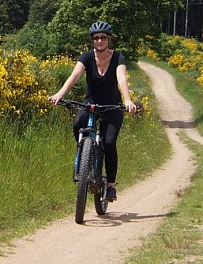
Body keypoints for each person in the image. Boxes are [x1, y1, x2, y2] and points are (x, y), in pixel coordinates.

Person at [48, 21, 137, 202]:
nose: (99, 41)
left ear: (108, 39)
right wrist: (60, 94)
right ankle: (86, 159)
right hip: (90, 103)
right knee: (77, 125)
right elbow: (74, 76)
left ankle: (110, 186)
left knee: (110, 143)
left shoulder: (118, 57)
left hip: (112, 106)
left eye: (103, 37)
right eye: (96, 38)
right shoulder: (86, 57)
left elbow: (121, 79)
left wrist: (127, 100)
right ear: (92, 40)